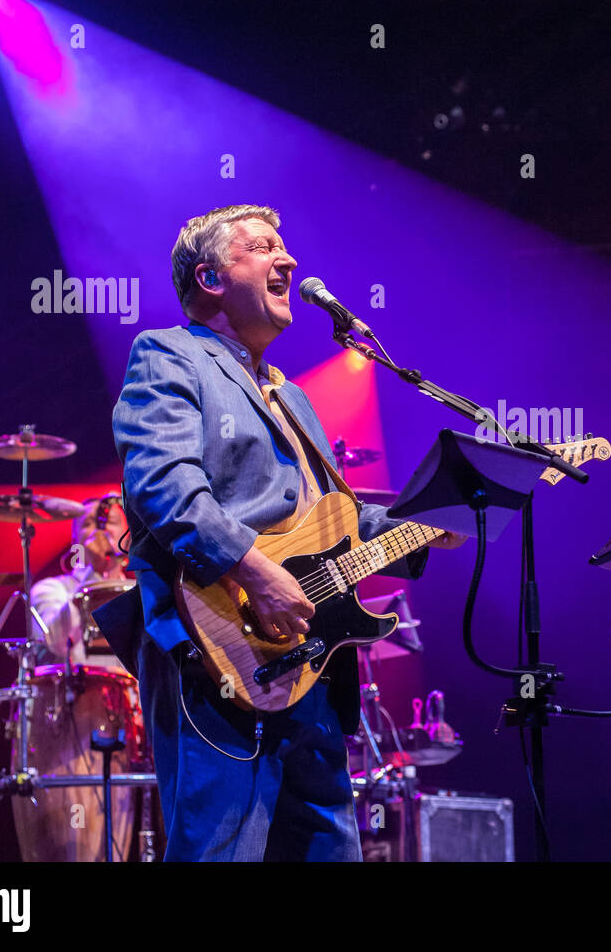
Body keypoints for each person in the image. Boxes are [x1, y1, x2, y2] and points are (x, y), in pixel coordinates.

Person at [97, 204, 461, 861]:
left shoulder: (292, 395)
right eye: (263, 247)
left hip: (309, 670)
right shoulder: (170, 355)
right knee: (220, 849)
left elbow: (340, 518)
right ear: (209, 276)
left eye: (284, 248)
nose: (288, 261)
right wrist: (253, 569)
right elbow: (162, 483)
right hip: (217, 654)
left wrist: (433, 522)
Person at [30, 495, 130, 671]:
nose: (102, 531)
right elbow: (57, 643)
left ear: (127, 539)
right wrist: (95, 576)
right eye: (89, 523)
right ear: (75, 540)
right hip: (76, 693)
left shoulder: (138, 592)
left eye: (111, 522)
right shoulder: (50, 589)